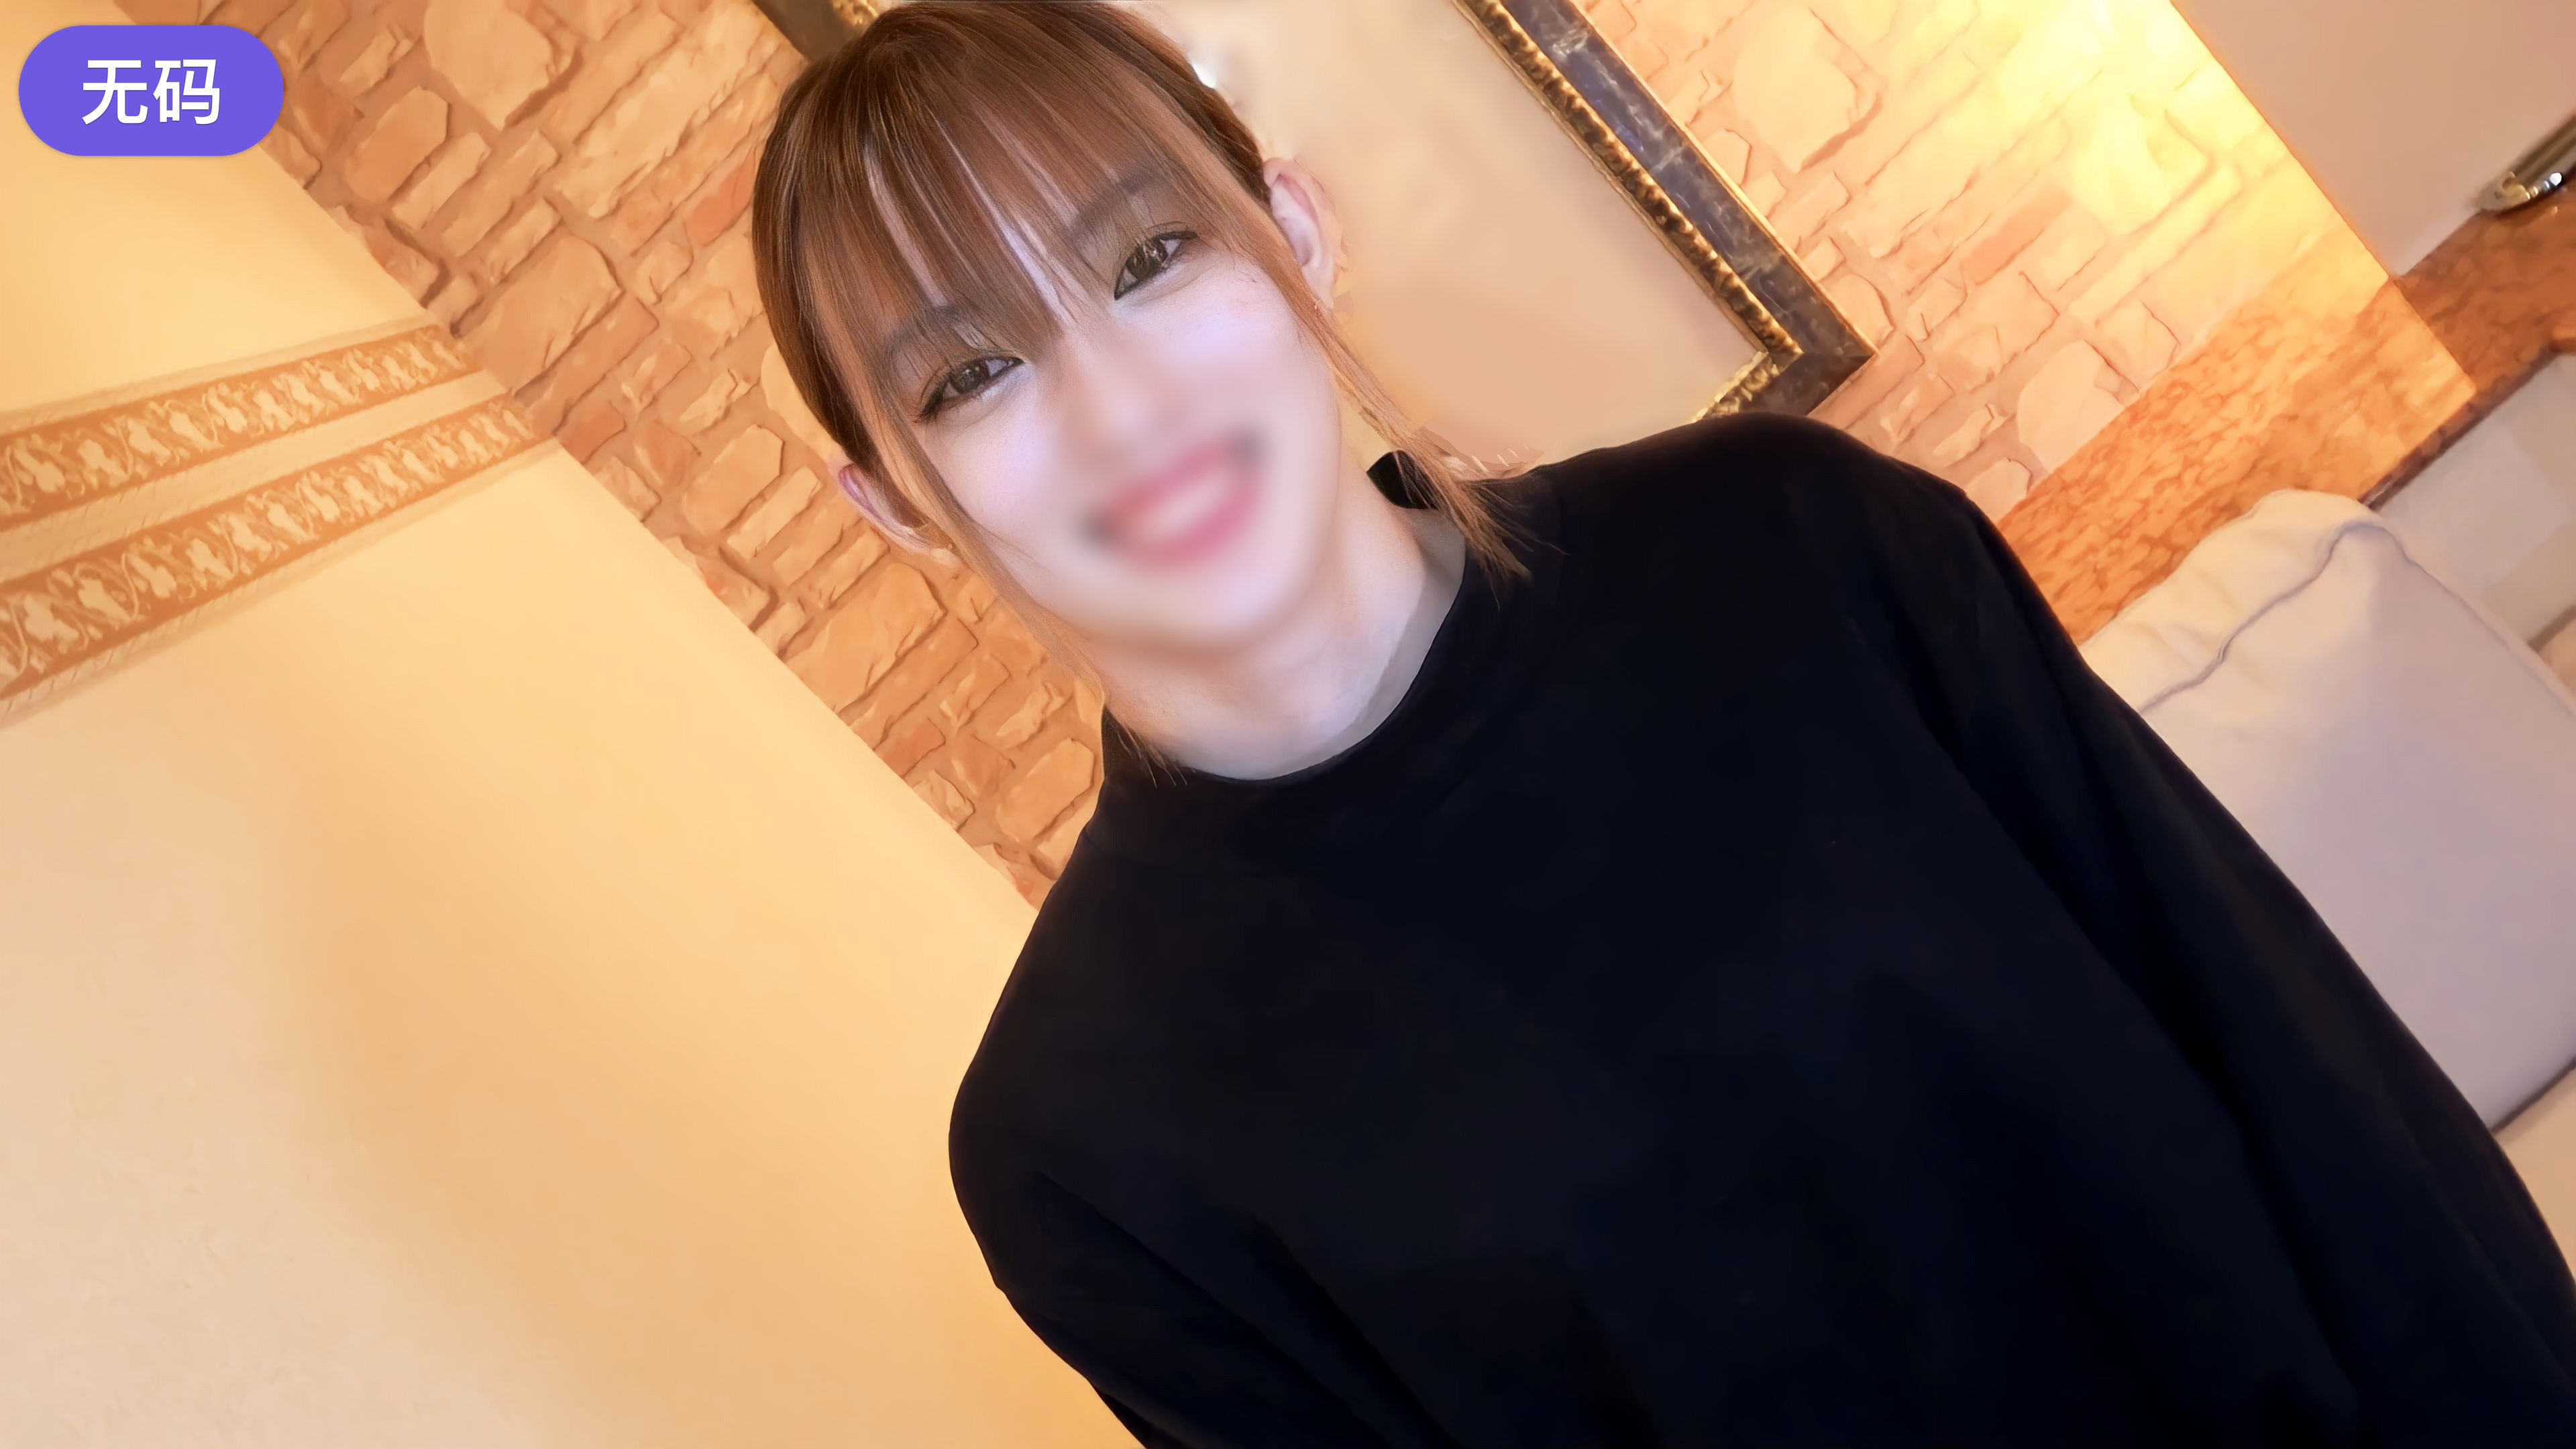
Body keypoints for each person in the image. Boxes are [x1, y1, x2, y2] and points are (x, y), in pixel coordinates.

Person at [749, 3, 2576, 1444]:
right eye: (972, 372)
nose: (1121, 402)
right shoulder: (1083, 1143)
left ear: (1293, 228)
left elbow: (2309, 1081)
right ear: (896, 503)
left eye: (1149, 255)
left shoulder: (1790, 545)